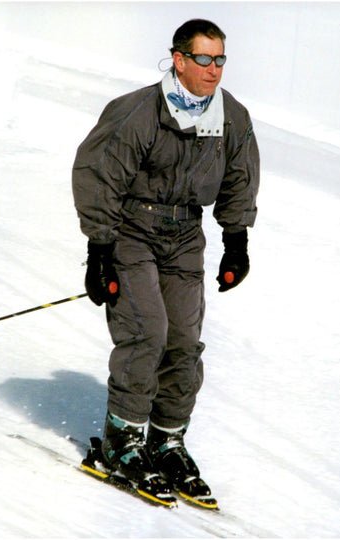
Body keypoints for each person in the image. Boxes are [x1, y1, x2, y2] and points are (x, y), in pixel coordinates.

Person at [72, 19, 259, 506]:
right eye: (204, 59)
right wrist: (99, 252)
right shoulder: (138, 111)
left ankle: (166, 440)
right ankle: (122, 441)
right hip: (131, 230)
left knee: (182, 340)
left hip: (185, 235)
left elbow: (239, 177)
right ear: (179, 60)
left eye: (220, 60)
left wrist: (235, 241)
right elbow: (100, 175)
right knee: (146, 331)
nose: (214, 70)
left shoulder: (230, 117)